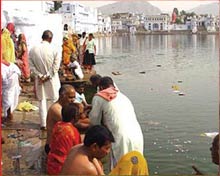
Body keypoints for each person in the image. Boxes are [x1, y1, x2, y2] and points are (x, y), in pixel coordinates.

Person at [89, 76, 144, 168]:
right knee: (136, 166)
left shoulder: (99, 97)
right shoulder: (123, 97)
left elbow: (94, 121)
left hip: (120, 137)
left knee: (120, 168)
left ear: (101, 87)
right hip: (137, 135)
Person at [29, 30, 61, 130]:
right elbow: (55, 67)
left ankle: (43, 123)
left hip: (40, 80)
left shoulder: (33, 49)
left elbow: (31, 66)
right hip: (51, 80)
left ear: (42, 37)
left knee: (41, 100)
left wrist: (40, 76)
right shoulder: (55, 49)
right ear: (50, 39)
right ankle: (52, 121)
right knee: (53, 100)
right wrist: (47, 76)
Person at [47, 103, 81, 175]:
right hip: (63, 167)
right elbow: (77, 151)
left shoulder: (57, 125)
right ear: (74, 117)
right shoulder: (73, 131)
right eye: (78, 114)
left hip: (51, 163)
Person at [45, 84, 76, 154]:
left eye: (74, 97)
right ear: (62, 96)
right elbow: (73, 123)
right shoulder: (56, 109)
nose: (73, 100)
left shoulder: (66, 107)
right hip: (52, 147)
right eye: (70, 97)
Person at [1, 58, 21, 123]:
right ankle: (9, 114)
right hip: (13, 76)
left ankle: (9, 116)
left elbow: (2, 78)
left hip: (9, 80)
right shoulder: (4, 62)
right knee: (9, 97)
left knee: (7, 98)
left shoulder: (2, 66)